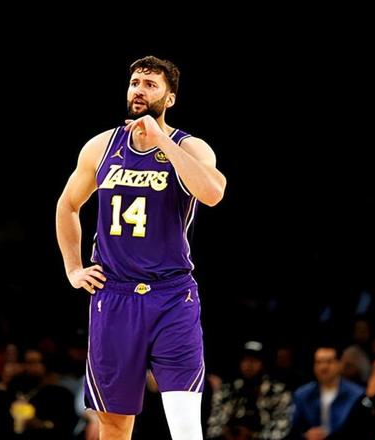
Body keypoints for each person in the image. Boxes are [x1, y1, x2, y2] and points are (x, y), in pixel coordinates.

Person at [56, 55, 226, 440]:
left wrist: (161, 139)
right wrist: (73, 268)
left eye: (150, 85)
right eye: (135, 82)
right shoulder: (102, 146)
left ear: (170, 98)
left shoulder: (189, 146)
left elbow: (213, 193)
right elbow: (67, 205)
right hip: (114, 293)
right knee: (114, 424)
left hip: (172, 295)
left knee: (184, 424)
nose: (139, 90)